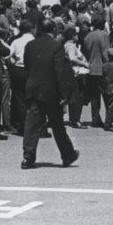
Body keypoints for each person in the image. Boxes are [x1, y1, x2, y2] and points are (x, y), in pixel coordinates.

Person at [21, 19, 80, 169]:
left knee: (31, 125)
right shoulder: (56, 46)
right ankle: (68, 154)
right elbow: (59, 71)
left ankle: (28, 157)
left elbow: (26, 65)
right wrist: (64, 94)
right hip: (51, 91)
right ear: (53, 30)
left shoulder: (30, 45)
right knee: (57, 125)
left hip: (34, 88)